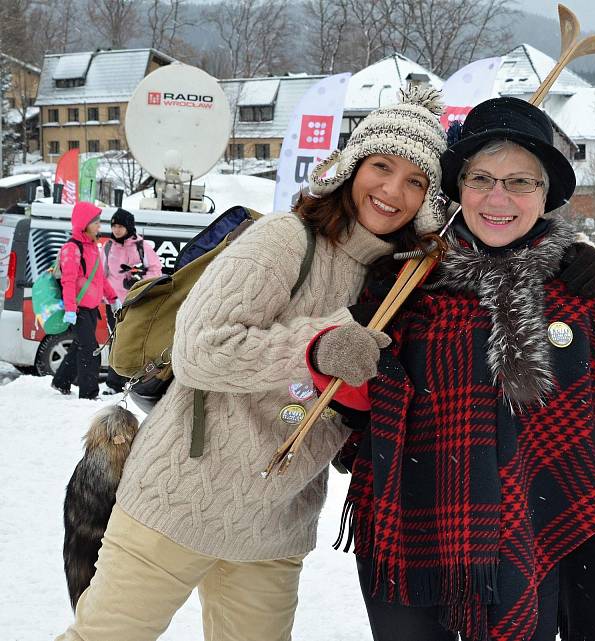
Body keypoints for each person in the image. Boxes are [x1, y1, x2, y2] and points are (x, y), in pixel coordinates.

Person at [308, 98, 595, 641]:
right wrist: (329, 358)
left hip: (530, 536)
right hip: (411, 538)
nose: (498, 198)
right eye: (481, 178)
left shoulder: (577, 290)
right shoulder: (404, 282)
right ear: (457, 188)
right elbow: (363, 406)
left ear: (545, 196)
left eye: (520, 182)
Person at [55, 87, 452, 641]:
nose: (392, 191)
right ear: (350, 167)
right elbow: (200, 348)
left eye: (416, 181)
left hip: (275, 524)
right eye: (381, 167)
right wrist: (314, 348)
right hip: (180, 498)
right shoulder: (286, 240)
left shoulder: (400, 283)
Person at [51, 201, 120, 400]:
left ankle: (61, 381)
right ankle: (89, 394)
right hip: (78, 309)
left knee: (80, 346)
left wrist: (112, 297)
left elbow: (99, 277)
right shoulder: (72, 248)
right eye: (96, 222)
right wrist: (70, 309)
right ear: (84, 223)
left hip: (91, 309)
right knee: (90, 350)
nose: (99, 225)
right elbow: (68, 281)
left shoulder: (92, 247)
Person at [101, 207, 162, 393]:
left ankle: (134, 381)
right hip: (114, 303)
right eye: (114, 226)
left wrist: (138, 278)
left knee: (133, 341)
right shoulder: (108, 247)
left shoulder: (142, 247)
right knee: (116, 340)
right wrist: (107, 297)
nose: (116, 230)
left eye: (120, 226)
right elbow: (102, 275)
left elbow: (156, 271)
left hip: (136, 303)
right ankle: (113, 384)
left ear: (129, 227)